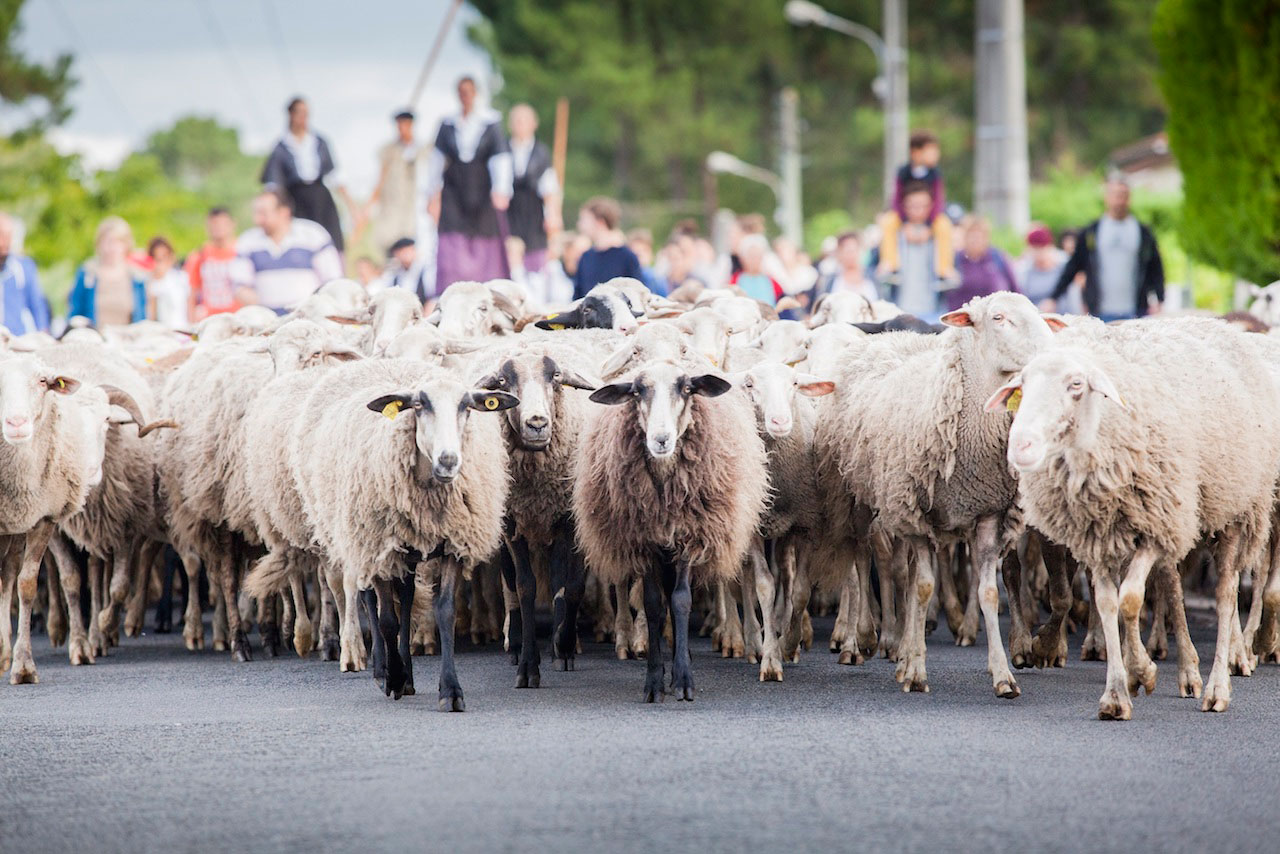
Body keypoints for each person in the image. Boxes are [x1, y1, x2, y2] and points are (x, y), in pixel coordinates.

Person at [426, 76, 513, 293]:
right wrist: (432, 194)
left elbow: (500, 157)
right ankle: (451, 289)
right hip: (454, 188)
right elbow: (436, 161)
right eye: (461, 92)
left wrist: (501, 189)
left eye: (469, 91)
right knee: (453, 238)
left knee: (485, 236)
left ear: (476, 94)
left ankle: (487, 290)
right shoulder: (447, 124)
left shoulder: (490, 123)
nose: (465, 96)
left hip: (482, 187)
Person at [1044, 178, 1164, 321]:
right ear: (1106, 198)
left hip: (1136, 310)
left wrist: (1160, 297)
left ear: (1129, 198)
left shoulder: (1143, 233)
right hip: (1100, 311)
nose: (1120, 200)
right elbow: (1073, 266)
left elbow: (1155, 266)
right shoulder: (1092, 232)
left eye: (1123, 195)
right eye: (1115, 195)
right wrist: (1054, 297)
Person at [261, 97, 354, 252]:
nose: (303, 118)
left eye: (306, 113)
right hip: (295, 199)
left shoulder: (319, 142)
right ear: (291, 115)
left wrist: (353, 208)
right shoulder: (281, 147)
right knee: (299, 241)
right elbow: (273, 184)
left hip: (320, 197)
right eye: (300, 113)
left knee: (332, 241)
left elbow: (335, 175)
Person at [231, 186, 343, 314]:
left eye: (263, 213)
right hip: (267, 323)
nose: (257, 220)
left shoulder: (313, 235)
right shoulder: (248, 241)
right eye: (256, 213)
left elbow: (333, 282)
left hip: (308, 319)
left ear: (284, 212)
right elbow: (239, 286)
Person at [877, 130, 954, 282]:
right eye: (931, 151)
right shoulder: (903, 172)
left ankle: (944, 269)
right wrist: (905, 222)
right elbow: (897, 199)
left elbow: (938, 200)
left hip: (929, 216)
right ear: (916, 153)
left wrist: (928, 224)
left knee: (944, 225)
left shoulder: (935, 173)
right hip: (905, 215)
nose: (936, 155)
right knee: (888, 222)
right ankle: (890, 264)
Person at [506, 103, 562, 276]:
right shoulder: (502, 149)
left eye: (524, 120)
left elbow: (549, 187)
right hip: (509, 210)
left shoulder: (541, 152)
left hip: (533, 213)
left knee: (536, 262)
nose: (520, 124)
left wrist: (553, 215)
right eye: (516, 121)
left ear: (533, 124)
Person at [879, 182, 946, 321]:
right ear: (904, 206)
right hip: (899, 311)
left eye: (923, 206)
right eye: (913, 206)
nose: (918, 211)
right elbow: (875, 271)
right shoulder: (891, 235)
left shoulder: (941, 235)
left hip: (933, 310)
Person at [364, 109, 426, 256]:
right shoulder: (388, 151)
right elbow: (380, 180)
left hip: (416, 212)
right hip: (392, 212)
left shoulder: (423, 150)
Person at [68, 216, 147, 326]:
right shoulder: (87, 274)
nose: (112, 247)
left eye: (118, 242)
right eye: (108, 241)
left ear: (126, 244)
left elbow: (142, 316)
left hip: (127, 339)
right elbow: (75, 312)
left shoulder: (137, 277)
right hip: (93, 338)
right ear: (99, 243)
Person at [571, 197, 642, 299]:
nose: (580, 225)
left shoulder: (627, 257)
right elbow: (578, 297)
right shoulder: (586, 257)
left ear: (600, 222)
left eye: (585, 220)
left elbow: (636, 296)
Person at [185, 207, 248, 321]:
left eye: (222, 224)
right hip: (210, 320)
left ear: (232, 224)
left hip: (240, 320)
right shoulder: (199, 255)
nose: (218, 228)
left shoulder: (244, 252)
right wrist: (192, 323)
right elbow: (192, 293)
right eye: (214, 224)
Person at [947, 215, 1019, 312]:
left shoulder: (997, 257)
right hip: (964, 318)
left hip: (995, 315)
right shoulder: (955, 259)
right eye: (971, 236)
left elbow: (1014, 288)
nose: (975, 240)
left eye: (979, 236)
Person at [0, 212, 51, 335]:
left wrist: (43, 332)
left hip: (16, 339)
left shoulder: (23, 268)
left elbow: (37, 304)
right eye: (2, 235)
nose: (5, 242)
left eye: (9, 236)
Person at [1017, 224, 1077, 313]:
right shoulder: (1024, 271)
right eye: (1035, 248)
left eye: (1042, 247)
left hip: (1064, 317)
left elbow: (1074, 296)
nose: (1039, 252)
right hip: (1037, 318)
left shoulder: (1064, 265)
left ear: (1049, 246)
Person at [812, 230, 877, 305]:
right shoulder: (830, 281)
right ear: (839, 253)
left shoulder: (873, 278)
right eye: (847, 251)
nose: (851, 255)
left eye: (854, 250)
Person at [145, 236, 190, 329]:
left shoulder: (182, 277)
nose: (162, 263)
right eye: (158, 259)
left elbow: (189, 306)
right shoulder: (150, 283)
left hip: (184, 330)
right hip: (163, 334)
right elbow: (151, 316)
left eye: (165, 256)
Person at [730, 234, 784, 306]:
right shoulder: (735, 280)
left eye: (757, 256)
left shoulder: (772, 282)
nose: (755, 260)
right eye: (751, 256)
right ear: (742, 259)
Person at [375, 237, 430, 303]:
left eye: (408, 250)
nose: (406, 254)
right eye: (402, 251)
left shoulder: (426, 272)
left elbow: (431, 298)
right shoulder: (393, 277)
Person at [627, 228, 668, 296]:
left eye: (644, 251)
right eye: (636, 254)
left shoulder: (656, 278)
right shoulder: (627, 278)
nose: (641, 256)